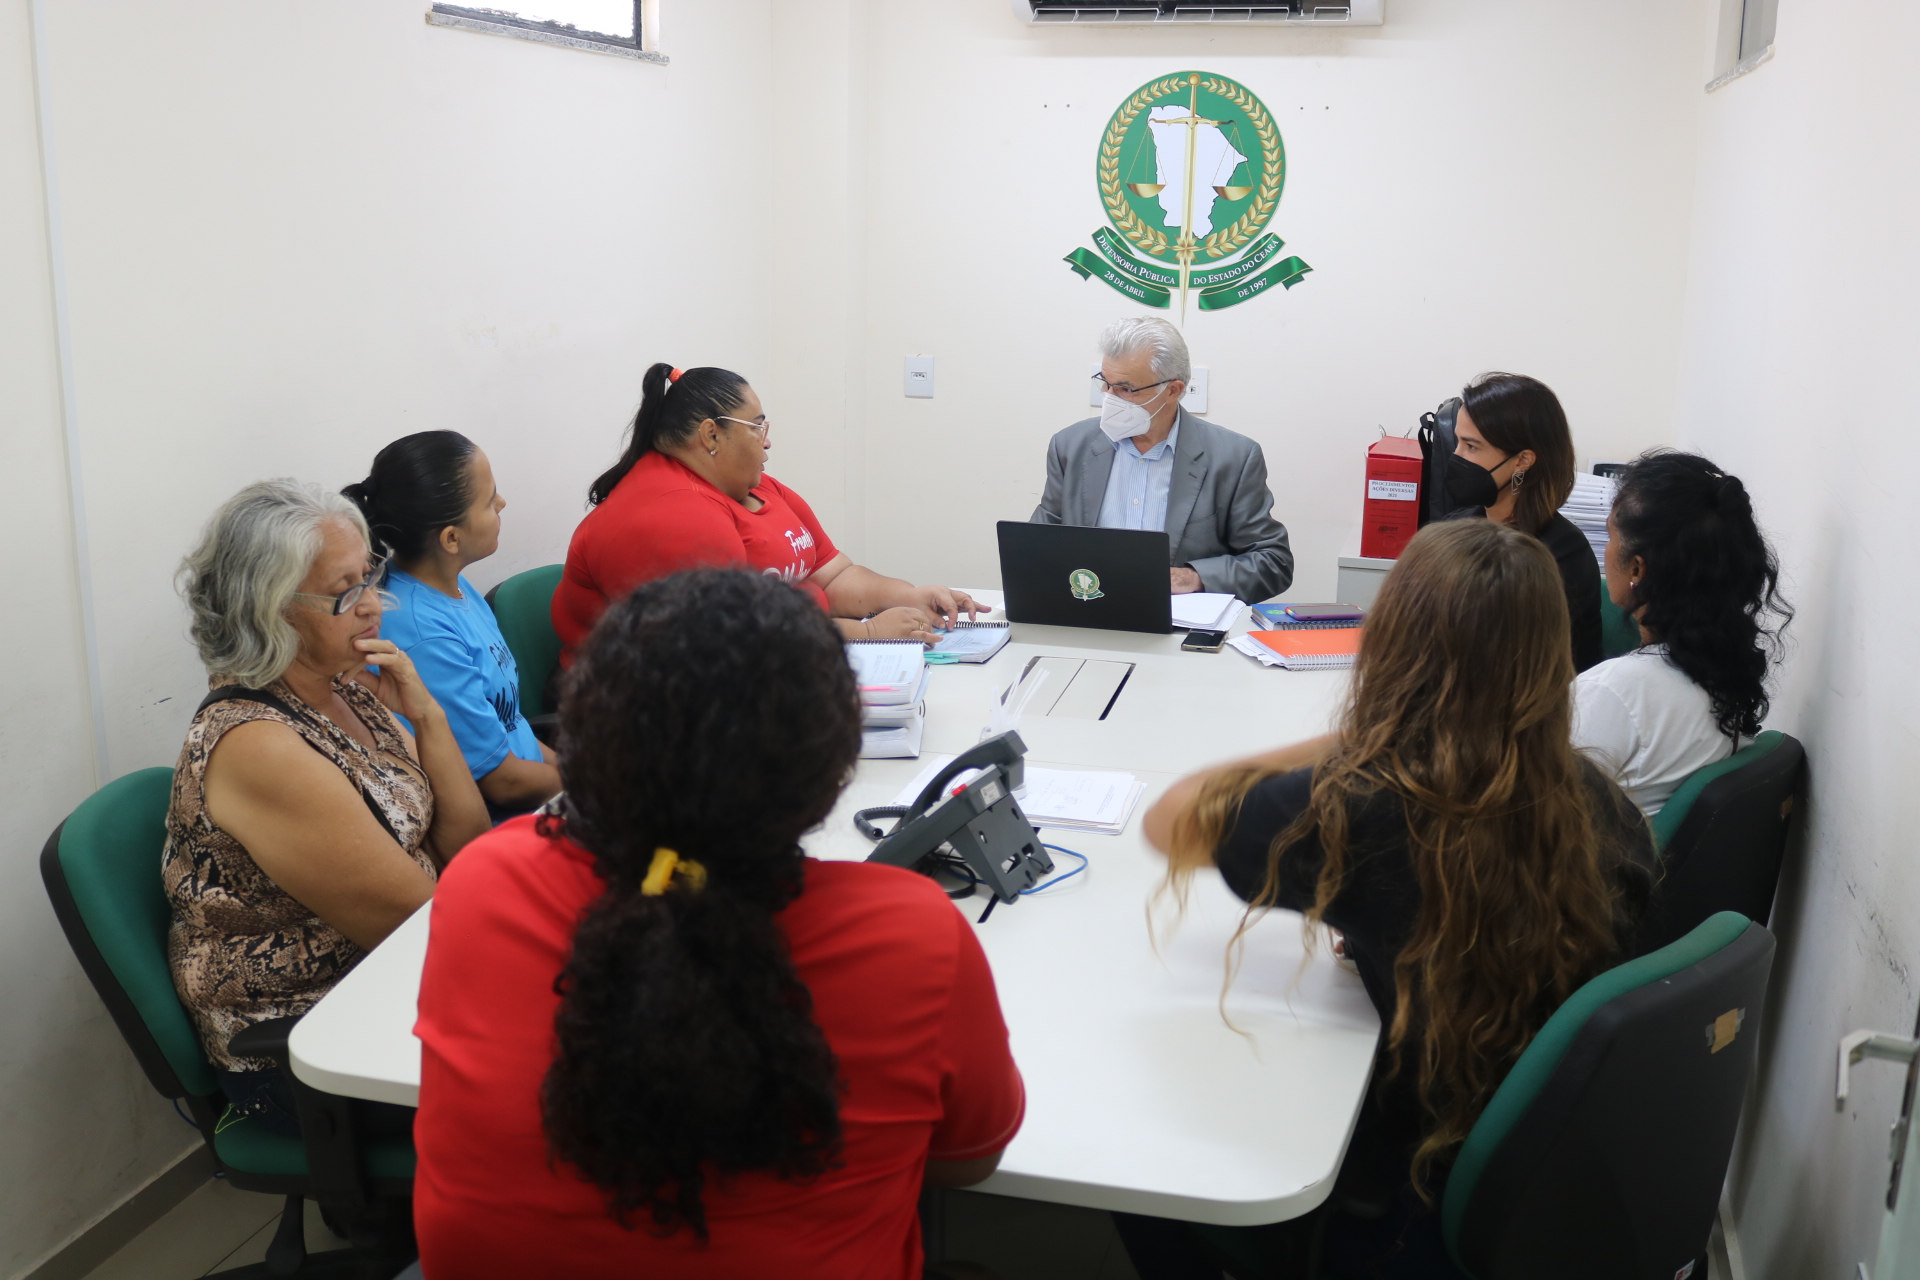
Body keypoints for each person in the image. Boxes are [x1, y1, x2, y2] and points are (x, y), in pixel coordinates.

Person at [414, 569, 1024, 1279]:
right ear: (834, 774)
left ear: (585, 738)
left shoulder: (486, 883)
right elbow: (968, 1161)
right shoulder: (913, 935)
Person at [1124, 520, 1653, 1279]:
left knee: (1142, 1165)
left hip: (1411, 1195)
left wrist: (1367, 735)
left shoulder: (1369, 807)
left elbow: (1169, 818)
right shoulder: (1599, 800)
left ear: (1394, 649)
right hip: (1550, 1184)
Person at [166, 479, 491, 1137]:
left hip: (392, 984)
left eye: (371, 576)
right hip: (310, 1050)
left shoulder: (347, 686)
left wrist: (426, 713)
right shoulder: (256, 745)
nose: (374, 604)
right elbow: (420, 928)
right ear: (272, 611)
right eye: (346, 593)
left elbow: (468, 845)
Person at [552, 363, 984, 665]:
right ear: (711, 435)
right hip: (649, 715)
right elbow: (737, 639)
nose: (767, 441)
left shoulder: (754, 487)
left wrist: (908, 597)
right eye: (757, 426)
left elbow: (832, 575)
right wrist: (869, 633)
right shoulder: (673, 513)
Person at [344, 431, 561, 814]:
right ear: (451, 538)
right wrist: (596, 791)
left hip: (540, 792)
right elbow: (503, 783)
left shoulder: (452, 585)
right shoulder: (423, 635)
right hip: (507, 825)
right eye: (489, 500)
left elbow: (511, 725)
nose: (502, 503)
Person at [1572, 451, 1790, 817]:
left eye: (1610, 536)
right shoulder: (1725, 671)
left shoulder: (1611, 692)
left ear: (1637, 569)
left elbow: (1530, 821)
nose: (1606, 551)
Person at [1032, 316, 1293, 602]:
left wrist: (1195, 577)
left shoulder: (1233, 458)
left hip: (1177, 623)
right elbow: (1037, 546)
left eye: (1125, 389)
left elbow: (1273, 562)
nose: (1109, 398)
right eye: (1105, 383)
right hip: (1086, 612)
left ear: (1172, 391)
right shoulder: (1070, 446)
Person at [1443, 372, 1602, 671]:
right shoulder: (1455, 527)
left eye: (1471, 446)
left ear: (1522, 461)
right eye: (1458, 442)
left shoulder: (1562, 555)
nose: (1456, 456)